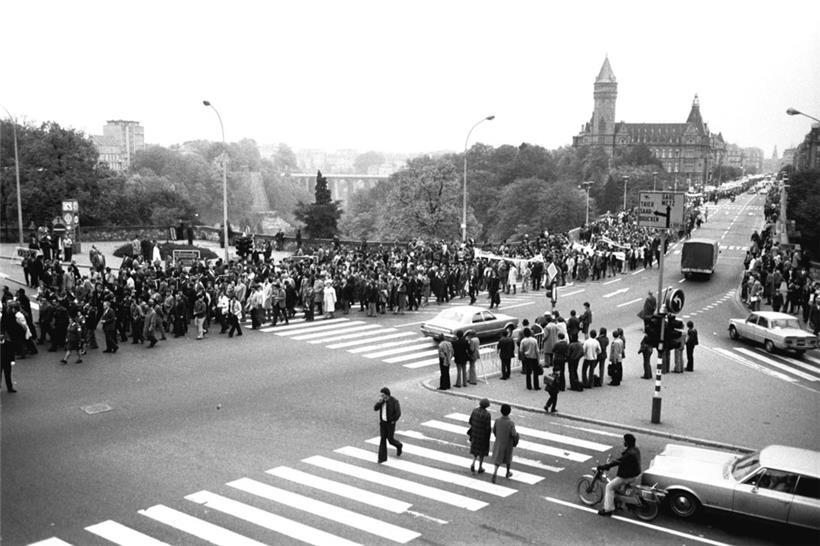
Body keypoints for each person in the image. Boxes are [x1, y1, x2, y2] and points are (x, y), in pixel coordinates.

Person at [598, 433, 642, 516]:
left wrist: (605, 466)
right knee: (618, 486)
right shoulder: (635, 449)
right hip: (635, 474)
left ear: (627, 442)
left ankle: (608, 509)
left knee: (609, 486)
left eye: (624, 441)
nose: (623, 442)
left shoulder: (629, 454)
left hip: (627, 476)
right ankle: (618, 503)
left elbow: (618, 461)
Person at [491, 403, 519, 484]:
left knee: (498, 459)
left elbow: (494, 431)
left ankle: (495, 472)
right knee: (508, 458)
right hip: (508, 443)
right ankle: (507, 472)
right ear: (509, 412)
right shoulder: (511, 423)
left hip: (499, 442)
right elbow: (514, 434)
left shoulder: (497, 420)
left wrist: (498, 437)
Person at [374, 386, 403, 463]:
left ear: (387, 395)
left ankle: (399, 445)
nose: (381, 396)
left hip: (390, 424)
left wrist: (393, 420)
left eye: (382, 395)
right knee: (383, 439)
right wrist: (379, 402)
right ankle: (382, 458)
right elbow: (375, 408)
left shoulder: (394, 401)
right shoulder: (382, 401)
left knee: (390, 440)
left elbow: (398, 413)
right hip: (383, 423)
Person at [468, 399, 492, 474]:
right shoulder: (487, 414)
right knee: (482, 452)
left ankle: (473, 462)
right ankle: (480, 467)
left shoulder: (474, 411)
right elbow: (488, 427)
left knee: (475, 449)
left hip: (474, 433)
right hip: (483, 435)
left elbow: (470, 421)